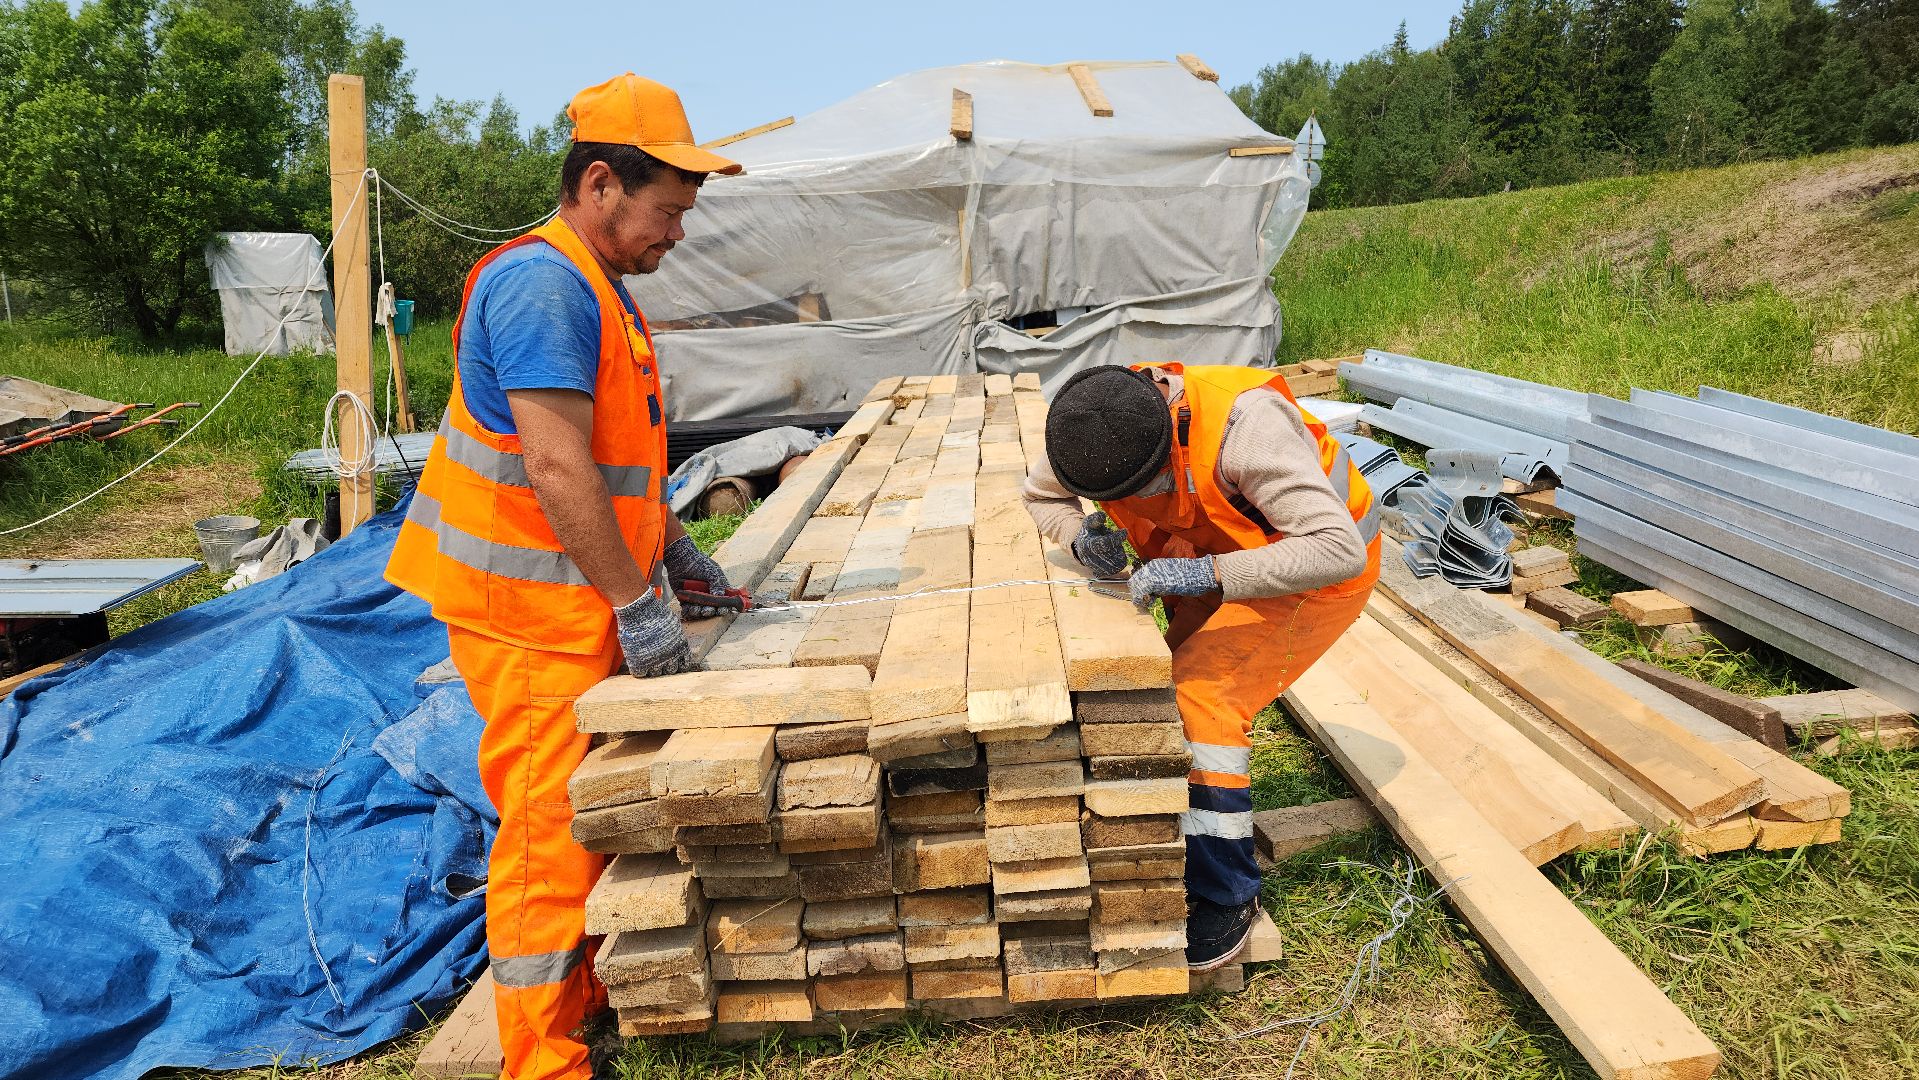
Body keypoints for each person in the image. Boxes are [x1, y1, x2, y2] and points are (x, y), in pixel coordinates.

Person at [385, 74, 746, 1080]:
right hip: (528, 611)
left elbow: (616, 456)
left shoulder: (595, 282)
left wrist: (669, 552)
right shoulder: (543, 286)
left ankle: (581, 1001)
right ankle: (539, 1060)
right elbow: (553, 465)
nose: (677, 233)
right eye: (667, 211)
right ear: (599, 184)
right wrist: (637, 602)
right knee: (547, 833)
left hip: (566, 597)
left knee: (580, 814)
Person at [1023, 362, 1382, 969]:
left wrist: (1207, 575)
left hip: (1311, 574)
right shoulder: (1091, 426)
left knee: (1200, 699)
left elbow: (1335, 548)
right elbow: (1040, 496)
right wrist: (1080, 536)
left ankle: (1226, 892)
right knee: (1155, 689)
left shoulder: (1246, 428)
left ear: (1168, 436)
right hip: (1211, 556)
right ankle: (1172, 831)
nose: (1132, 506)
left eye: (1142, 490)